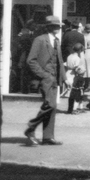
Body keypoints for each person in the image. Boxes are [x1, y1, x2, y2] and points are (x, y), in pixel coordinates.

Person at [24, 15, 65, 147]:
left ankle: (48, 137)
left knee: (52, 107)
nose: (58, 28)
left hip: (55, 78)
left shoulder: (57, 41)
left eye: (59, 26)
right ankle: (30, 128)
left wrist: (64, 78)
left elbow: (59, 61)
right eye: (55, 26)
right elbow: (31, 60)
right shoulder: (40, 40)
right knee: (50, 105)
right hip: (46, 78)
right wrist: (44, 75)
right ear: (48, 27)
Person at [64, 41, 87, 114]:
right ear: (79, 50)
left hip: (68, 73)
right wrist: (83, 70)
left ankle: (70, 109)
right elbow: (77, 69)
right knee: (75, 93)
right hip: (73, 75)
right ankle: (74, 109)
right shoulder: (77, 58)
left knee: (70, 93)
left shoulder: (69, 56)